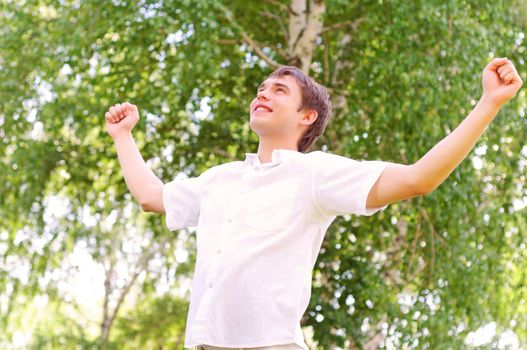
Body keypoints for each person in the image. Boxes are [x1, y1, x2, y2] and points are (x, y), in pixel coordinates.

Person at [105, 58, 522, 350]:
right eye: (261, 89)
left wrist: (489, 103)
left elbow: (418, 179)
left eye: (279, 90)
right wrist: (123, 137)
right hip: (204, 344)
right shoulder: (221, 179)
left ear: (307, 117)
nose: (263, 93)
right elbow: (150, 197)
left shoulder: (315, 174)